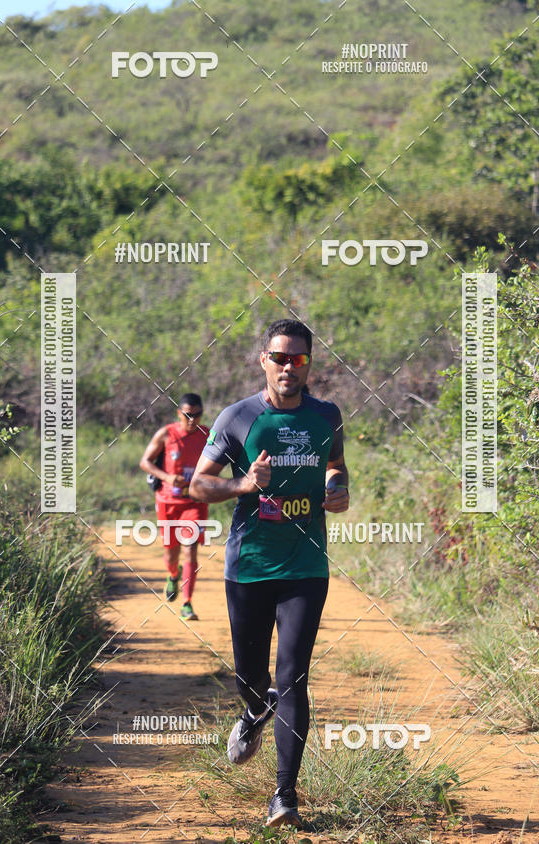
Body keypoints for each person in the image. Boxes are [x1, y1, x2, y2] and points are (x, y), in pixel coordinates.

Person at [189, 319, 349, 827]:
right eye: (279, 358)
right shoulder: (237, 418)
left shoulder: (327, 415)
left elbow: (336, 465)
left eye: (297, 359)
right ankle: (256, 709)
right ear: (263, 360)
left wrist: (337, 487)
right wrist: (242, 486)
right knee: (250, 678)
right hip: (250, 568)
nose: (287, 367)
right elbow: (198, 486)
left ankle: (285, 796)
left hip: (305, 566)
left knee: (294, 676)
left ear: (308, 364)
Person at [140, 394, 209, 620]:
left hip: (195, 501)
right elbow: (145, 462)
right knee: (171, 553)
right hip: (168, 501)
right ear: (179, 413)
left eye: (197, 415)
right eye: (188, 415)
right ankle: (172, 574)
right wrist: (167, 478)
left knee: (190, 548)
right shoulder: (166, 434)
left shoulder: (207, 435)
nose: (192, 420)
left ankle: (187, 603)